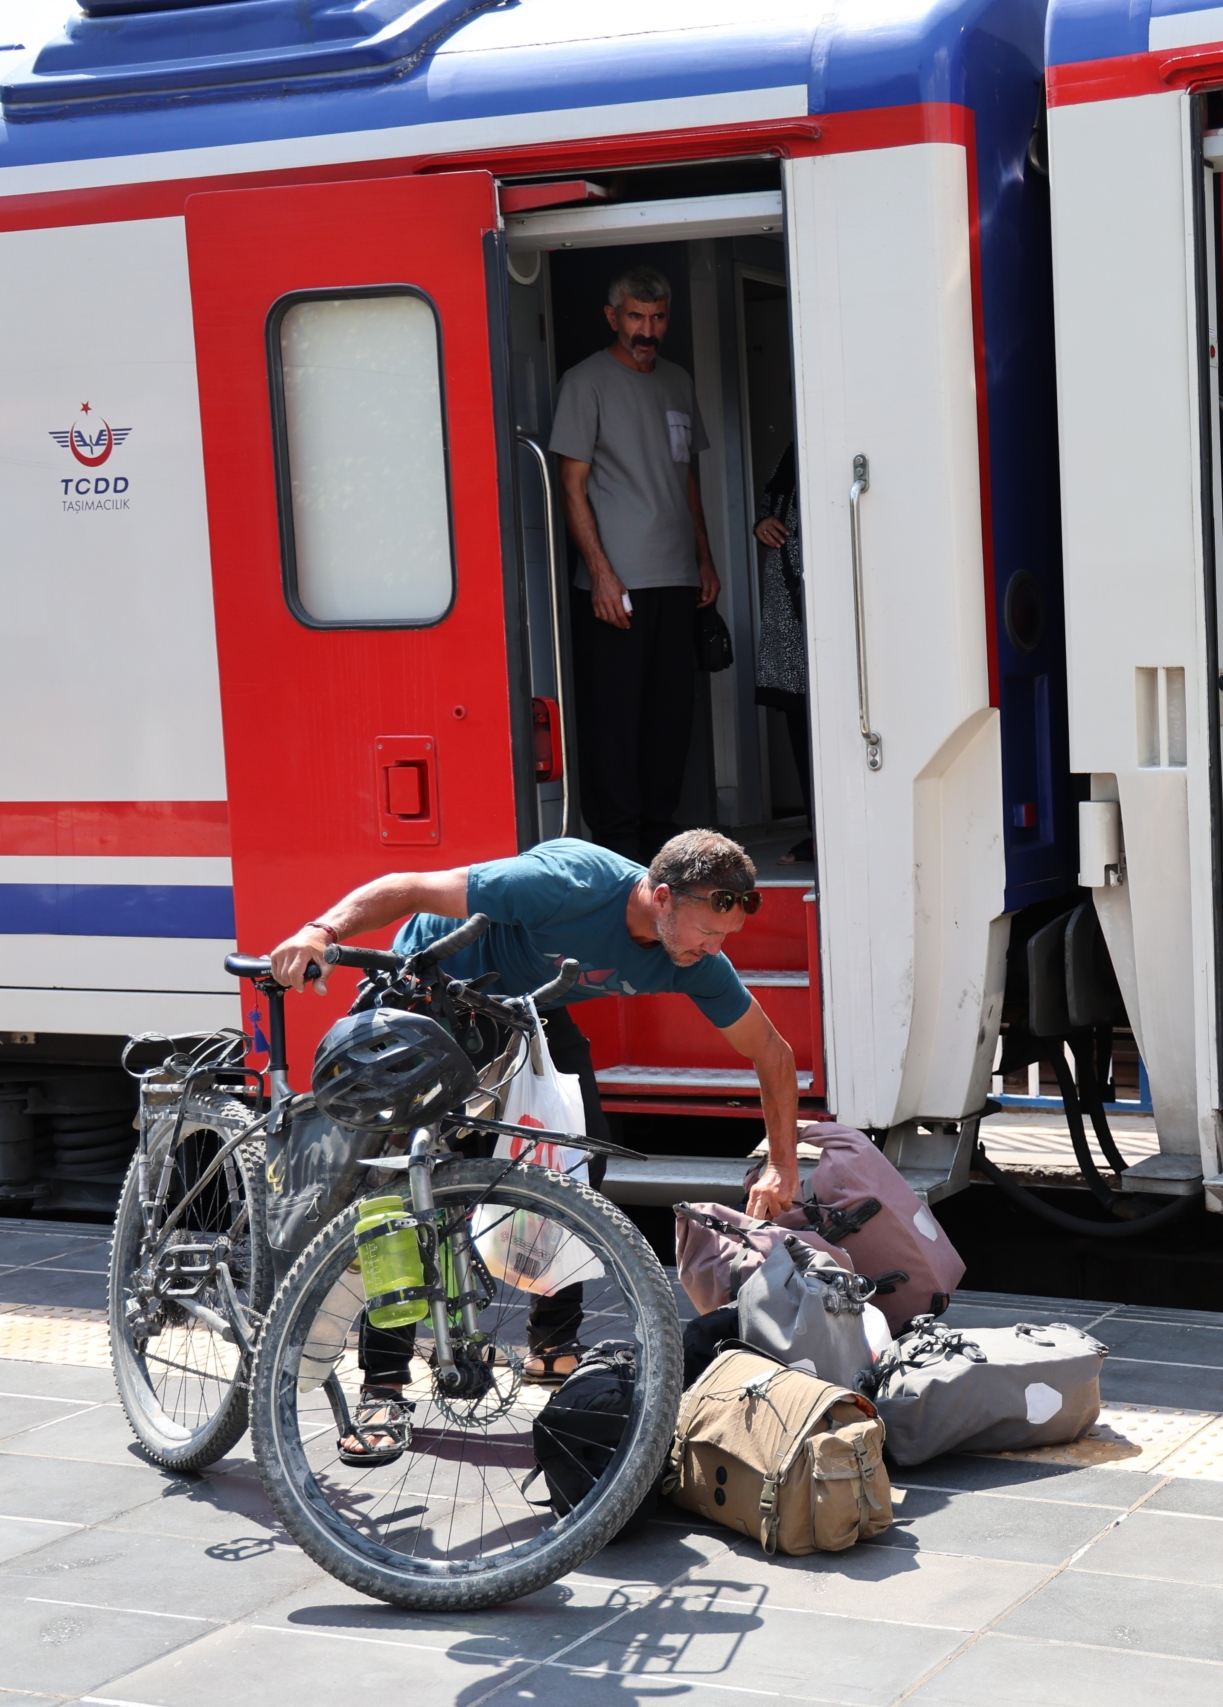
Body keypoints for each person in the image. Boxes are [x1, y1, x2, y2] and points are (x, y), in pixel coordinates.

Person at [268, 831, 804, 1461]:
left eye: (726, 937)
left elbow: (772, 1052)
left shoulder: (693, 958)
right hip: (432, 985)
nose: (716, 950)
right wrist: (319, 933)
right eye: (709, 934)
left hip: (525, 1008)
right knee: (403, 1189)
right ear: (662, 898)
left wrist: (780, 1163)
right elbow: (407, 887)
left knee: (575, 1162)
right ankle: (383, 1382)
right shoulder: (566, 886)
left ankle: (552, 1347)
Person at [553, 265, 721, 864]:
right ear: (612, 317)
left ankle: (660, 838)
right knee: (616, 719)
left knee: (670, 717)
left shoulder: (676, 381)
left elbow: (686, 478)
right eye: (635, 317)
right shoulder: (585, 382)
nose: (647, 330)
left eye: (657, 318)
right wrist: (599, 571)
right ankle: (618, 844)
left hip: (676, 577)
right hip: (615, 583)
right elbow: (571, 485)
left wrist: (703, 556)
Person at [751, 442, 814, 863]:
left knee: (831, 724)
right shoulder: (791, 448)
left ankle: (830, 831)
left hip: (824, 612)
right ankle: (817, 831)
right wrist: (762, 524)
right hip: (789, 613)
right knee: (800, 720)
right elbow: (769, 507)